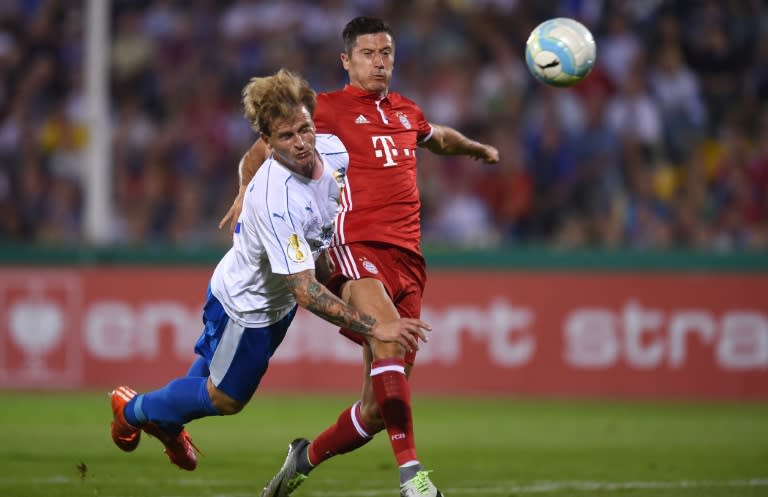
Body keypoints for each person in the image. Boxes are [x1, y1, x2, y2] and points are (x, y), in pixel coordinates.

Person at [220, 17, 499, 497]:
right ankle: (413, 476)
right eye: (368, 54)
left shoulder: (407, 111)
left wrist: (476, 149)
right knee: (387, 340)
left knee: (375, 410)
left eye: (386, 52)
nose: (379, 62)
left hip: (410, 260)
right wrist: (246, 191)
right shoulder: (323, 108)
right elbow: (263, 146)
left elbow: (438, 138)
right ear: (346, 61)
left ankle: (302, 459)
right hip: (354, 249)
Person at [109, 68, 431, 472]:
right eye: (286, 137)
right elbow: (305, 291)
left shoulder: (333, 150)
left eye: (304, 129)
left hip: (270, 299)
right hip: (249, 308)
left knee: (212, 369)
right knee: (226, 398)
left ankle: (169, 424)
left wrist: (242, 186)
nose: (301, 143)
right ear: (267, 142)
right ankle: (133, 409)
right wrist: (376, 327)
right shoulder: (276, 199)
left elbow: (319, 214)